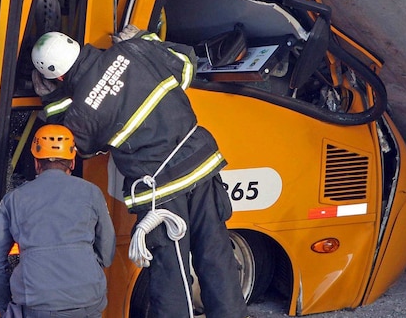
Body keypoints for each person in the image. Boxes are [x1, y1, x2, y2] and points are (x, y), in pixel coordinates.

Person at [30, 28, 249, 318]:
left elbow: (75, 147)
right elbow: (186, 67)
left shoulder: (82, 111)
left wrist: (54, 100)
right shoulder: (133, 50)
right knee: (217, 254)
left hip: (160, 191)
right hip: (200, 165)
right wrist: (146, 38)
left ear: (56, 77)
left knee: (172, 272)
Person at [0, 124, 115, 318]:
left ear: (36, 163)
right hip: (87, 302)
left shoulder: (14, 200)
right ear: (72, 163)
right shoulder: (91, 192)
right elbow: (106, 252)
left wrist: (5, 307)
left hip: (36, 305)